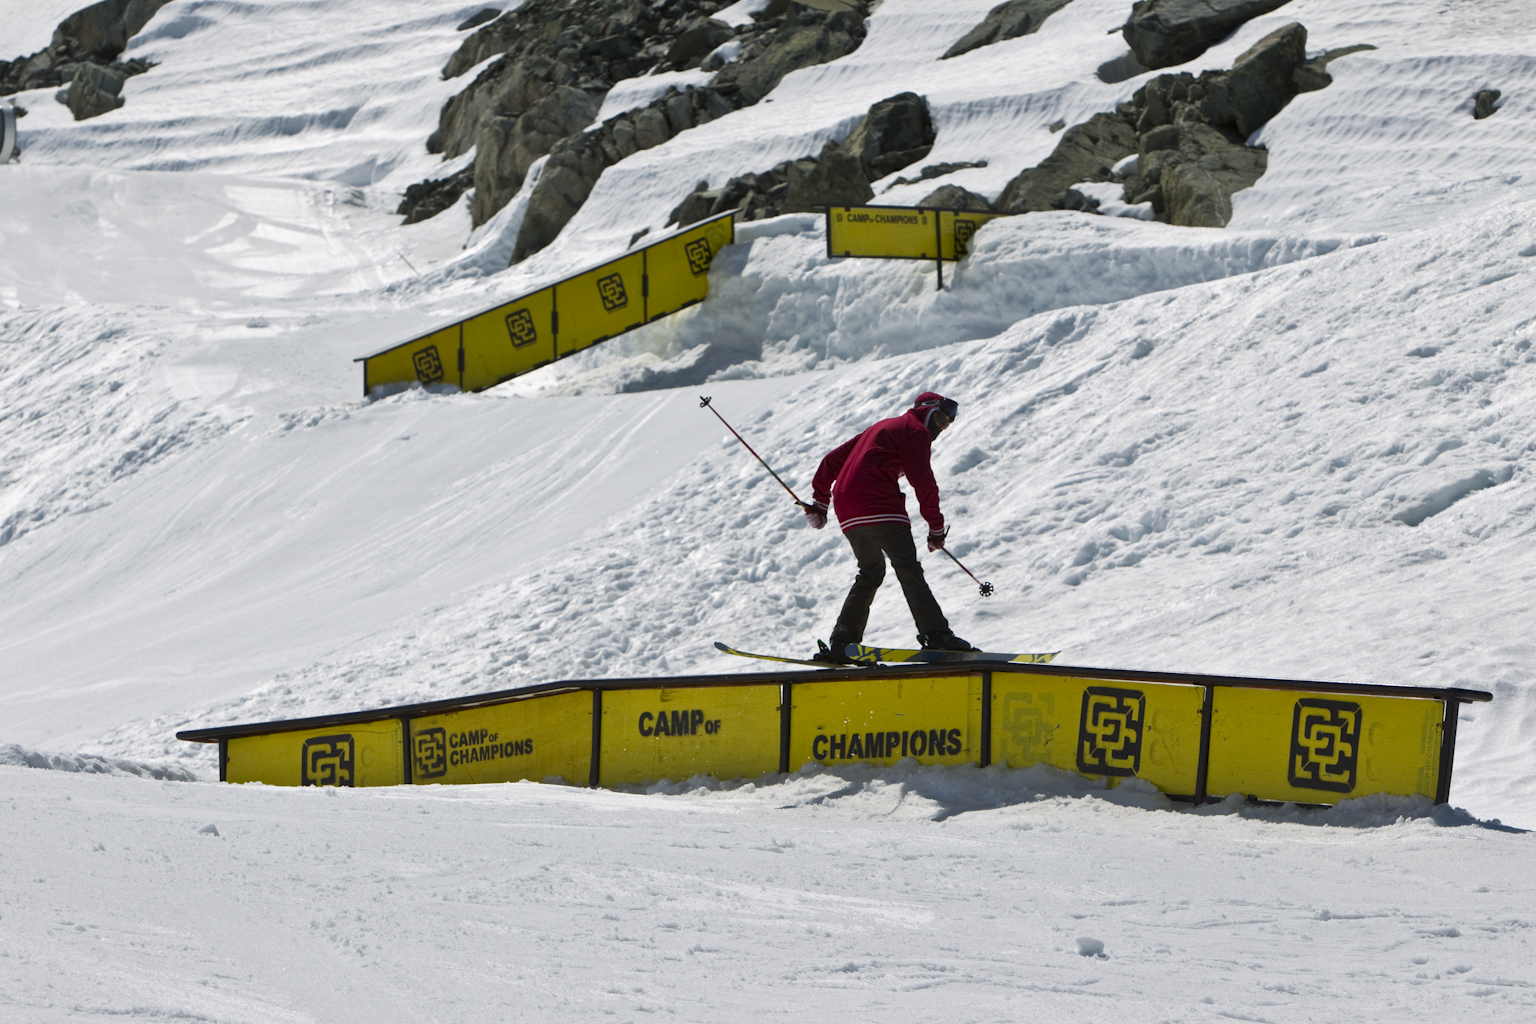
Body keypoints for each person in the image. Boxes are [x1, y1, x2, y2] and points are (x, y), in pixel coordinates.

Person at [805, 391, 977, 662]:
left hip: (848, 510)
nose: (941, 428)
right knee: (907, 567)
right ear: (927, 410)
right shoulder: (914, 431)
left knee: (871, 571)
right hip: (879, 504)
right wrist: (935, 528)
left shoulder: (881, 428)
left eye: (947, 424)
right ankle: (937, 635)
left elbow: (831, 461)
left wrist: (820, 503)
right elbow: (924, 482)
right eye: (941, 419)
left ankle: (843, 642)